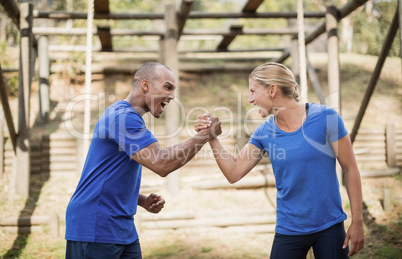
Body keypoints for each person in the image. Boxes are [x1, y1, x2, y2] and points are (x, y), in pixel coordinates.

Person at [195, 62, 364, 259]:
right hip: (289, 230)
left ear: (272, 90)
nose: (250, 99)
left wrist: (357, 221)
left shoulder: (326, 118)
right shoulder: (264, 133)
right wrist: (211, 138)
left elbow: (350, 169)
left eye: (253, 91)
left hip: (329, 227)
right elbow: (234, 172)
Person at [65, 62, 222, 259]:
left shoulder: (127, 117)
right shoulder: (123, 118)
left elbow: (107, 175)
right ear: (146, 85)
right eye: (167, 87)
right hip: (96, 225)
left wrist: (140, 200)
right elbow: (161, 163)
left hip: (122, 227)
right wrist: (204, 136)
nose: (173, 96)